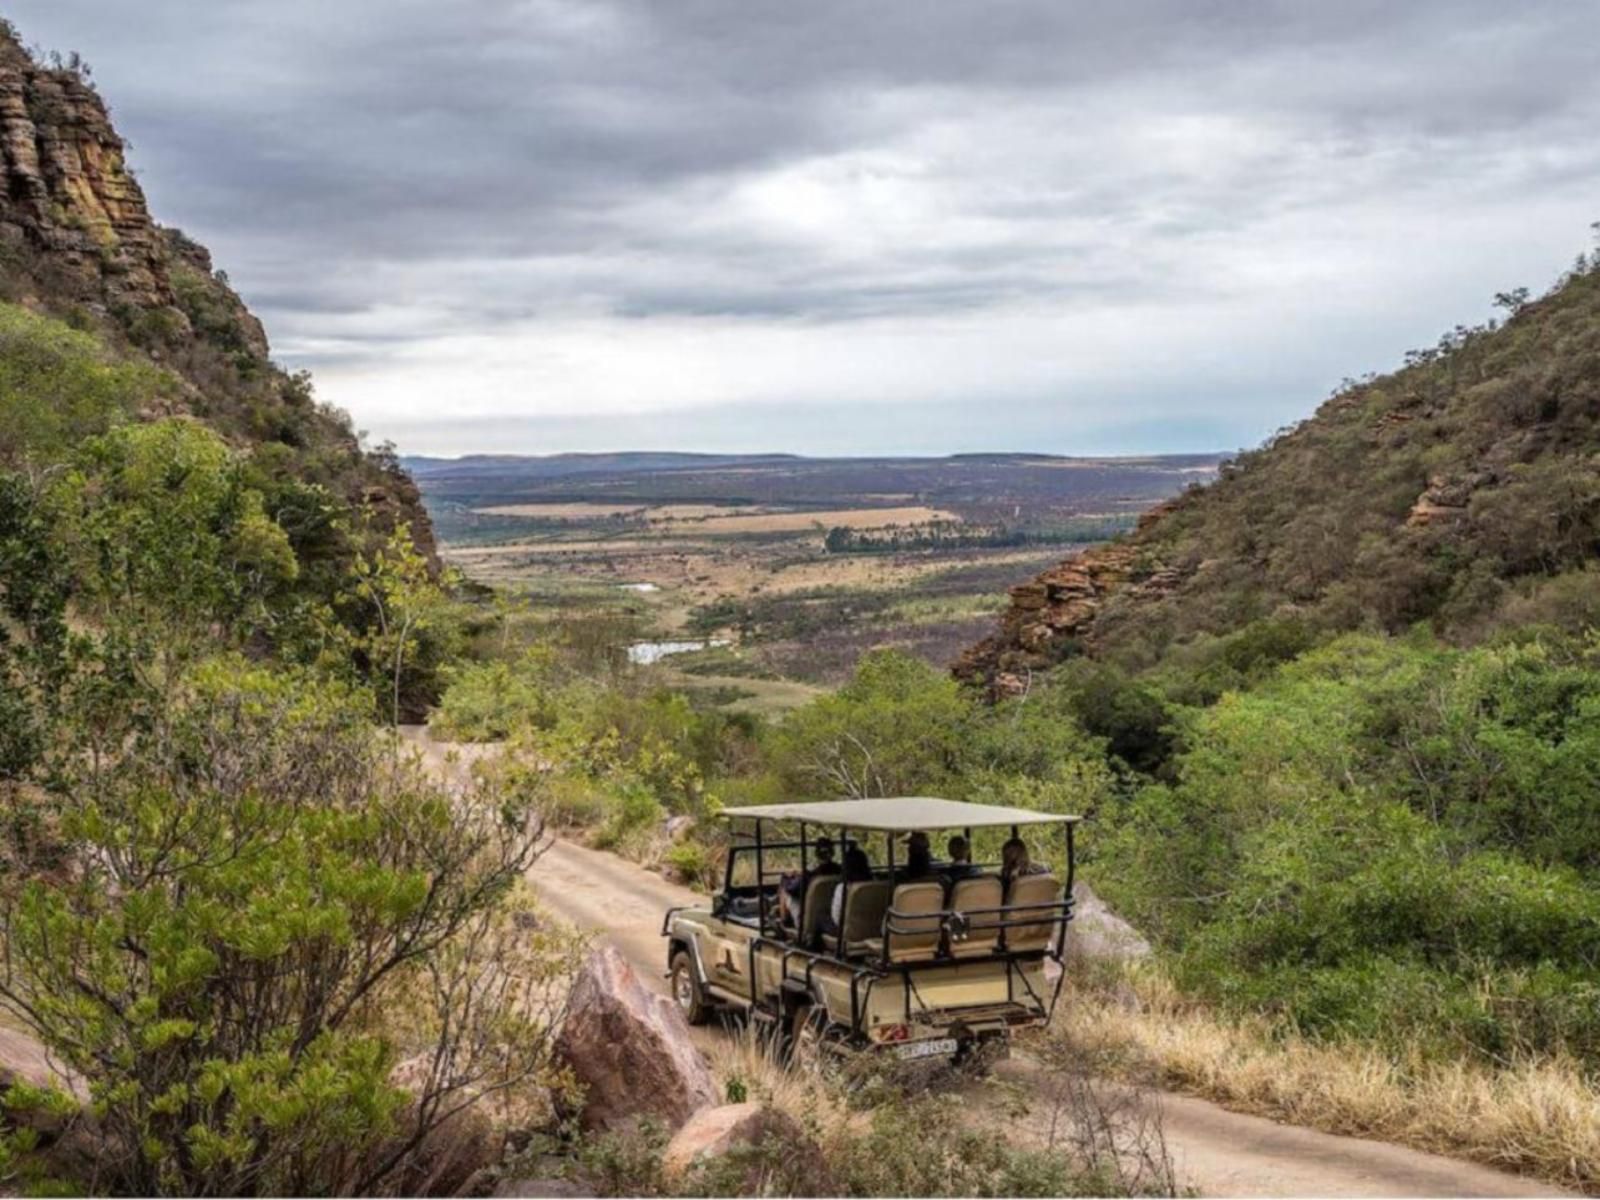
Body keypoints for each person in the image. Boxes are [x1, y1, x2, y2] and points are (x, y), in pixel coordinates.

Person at [779, 836, 839, 928]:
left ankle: (784, 923)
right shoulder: (840, 872)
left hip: (811, 919)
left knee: (785, 890)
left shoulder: (812, 876)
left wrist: (786, 879)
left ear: (816, 854)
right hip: (830, 914)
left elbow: (792, 890)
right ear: (833, 853)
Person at [821, 846, 873, 938]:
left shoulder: (843, 888)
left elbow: (836, 917)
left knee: (821, 919)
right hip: (872, 929)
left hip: (848, 931)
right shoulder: (875, 884)